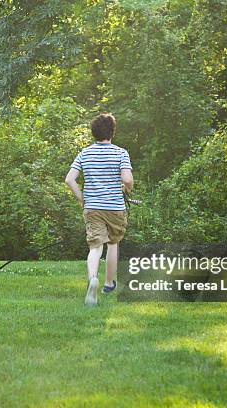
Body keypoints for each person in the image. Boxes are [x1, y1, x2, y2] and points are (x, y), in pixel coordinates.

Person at [65, 113, 133, 306]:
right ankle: (108, 283)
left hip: (92, 207)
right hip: (115, 207)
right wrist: (127, 188)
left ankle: (92, 278)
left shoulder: (85, 153)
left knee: (95, 247)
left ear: (93, 132)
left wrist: (82, 198)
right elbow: (127, 180)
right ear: (112, 132)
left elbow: (69, 179)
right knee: (113, 243)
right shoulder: (121, 153)